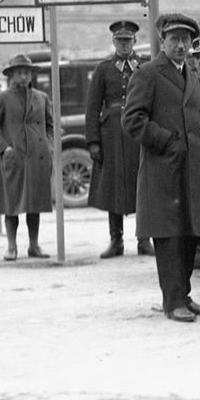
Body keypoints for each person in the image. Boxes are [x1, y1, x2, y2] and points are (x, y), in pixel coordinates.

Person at [122, 13, 200, 323]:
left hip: (192, 170)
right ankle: (172, 301)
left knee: (190, 233)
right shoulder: (148, 73)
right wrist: (167, 142)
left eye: (185, 40)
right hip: (163, 170)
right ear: (162, 41)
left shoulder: (190, 74)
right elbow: (132, 120)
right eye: (174, 39)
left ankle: (184, 296)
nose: (180, 45)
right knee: (170, 236)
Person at [86, 20, 152, 259]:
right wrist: (93, 141)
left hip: (139, 132)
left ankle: (144, 239)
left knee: (143, 184)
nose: (124, 45)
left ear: (135, 42)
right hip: (111, 135)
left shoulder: (144, 67)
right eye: (120, 41)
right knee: (113, 186)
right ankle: (116, 240)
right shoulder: (103, 69)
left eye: (128, 41)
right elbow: (93, 106)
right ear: (114, 42)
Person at [0, 53, 54, 261]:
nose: (23, 77)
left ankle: (34, 245)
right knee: (11, 205)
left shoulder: (42, 98)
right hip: (15, 160)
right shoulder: (2, 99)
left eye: (27, 72)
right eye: (19, 73)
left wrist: (48, 146)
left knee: (36, 205)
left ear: (31, 75)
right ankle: (11, 247)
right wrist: (4, 149)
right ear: (12, 75)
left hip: (38, 159)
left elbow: (51, 126)